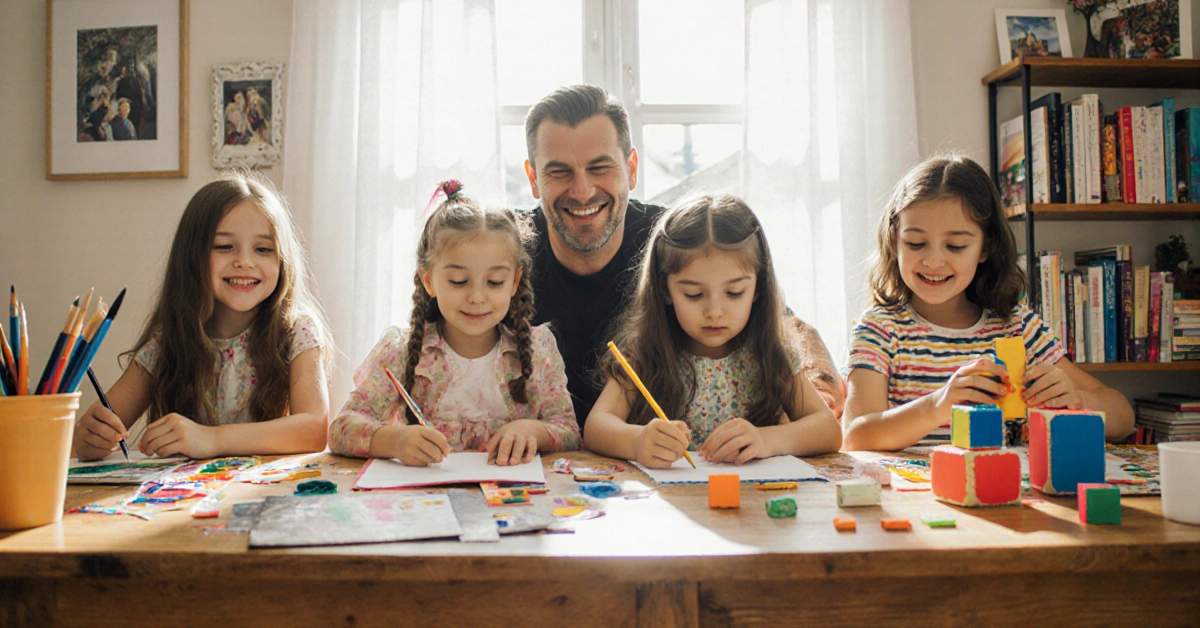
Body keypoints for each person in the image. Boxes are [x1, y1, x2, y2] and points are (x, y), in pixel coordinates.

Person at [521, 85, 847, 428]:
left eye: (600, 167)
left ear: (632, 168)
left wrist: (817, 384)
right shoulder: (505, 251)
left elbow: (784, 323)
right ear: (533, 178)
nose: (582, 190)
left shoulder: (675, 239)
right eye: (559, 172)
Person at [841, 154, 1134, 451]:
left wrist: (1078, 399)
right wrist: (940, 404)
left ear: (986, 247)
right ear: (894, 241)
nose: (932, 261)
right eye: (915, 243)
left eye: (955, 246)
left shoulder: (1016, 326)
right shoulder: (879, 331)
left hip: (1007, 491)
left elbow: (1123, 417)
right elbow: (855, 436)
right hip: (916, 495)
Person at [73, 170, 333, 459]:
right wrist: (89, 438)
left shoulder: (297, 331)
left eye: (263, 249)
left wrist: (211, 439)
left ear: (283, 260)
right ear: (192, 257)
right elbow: (98, 430)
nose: (245, 262)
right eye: (224, 247)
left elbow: (314, 429)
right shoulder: (168, 338)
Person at [330, 181, 580, 467]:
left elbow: (569, 431)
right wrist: (393, 441)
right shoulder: (399, 351)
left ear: (514, 281)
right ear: (428, 281)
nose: (476, 297)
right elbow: (341, 429)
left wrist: (533, 431)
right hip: (425, 502)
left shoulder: (539, 350)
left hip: (513, 502)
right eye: (459, 281)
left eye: (495, 282)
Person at [583, 195, 841, 467]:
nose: (714, 311)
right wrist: (636, 441)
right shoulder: (644, 351)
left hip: (755, 502)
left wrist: (767, 440)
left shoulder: (773, 350)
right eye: (694, 294)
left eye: (734, 292)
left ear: (758, 288)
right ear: (664, 289)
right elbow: (597, 426)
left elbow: (828, 430)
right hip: (666, 502)